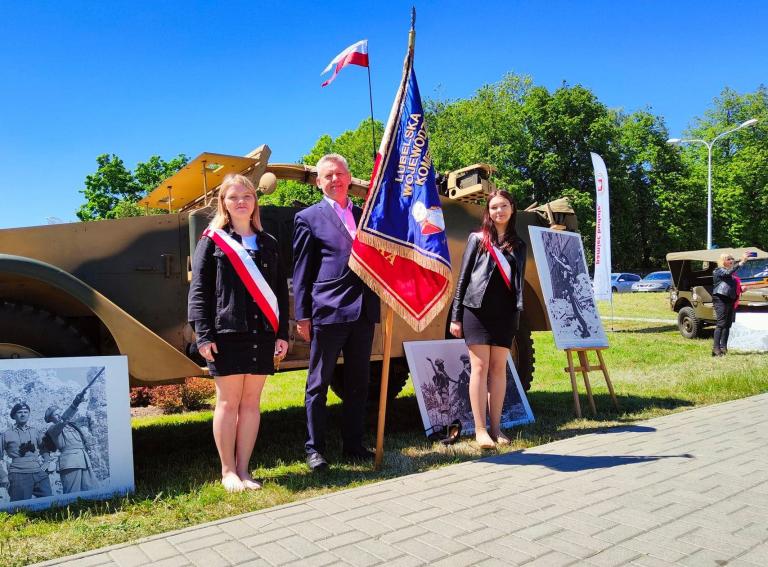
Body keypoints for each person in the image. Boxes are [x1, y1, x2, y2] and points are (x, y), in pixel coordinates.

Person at [188, 173, 289, 492]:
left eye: (247, 195)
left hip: (262, 334)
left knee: (250, 403)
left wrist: (281, 333)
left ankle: (245, 470)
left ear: (255, 201)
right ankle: (227, 471)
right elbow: (199, 290)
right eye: (234, 197)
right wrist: (203, 335)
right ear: (224, 203)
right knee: (228, 404)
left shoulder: (269, 243)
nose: (241, 201)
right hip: (226, 333)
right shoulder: (212, 240)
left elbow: (279, 293)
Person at [292, 154, 380, 471]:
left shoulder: (366, 215)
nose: (335, 179)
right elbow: (302, 271)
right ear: (319, 181)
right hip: (327, 311)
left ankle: (354, 445)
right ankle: (315, 450)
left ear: (349, 177)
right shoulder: (308, 218)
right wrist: (303, 316)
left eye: (340, 174)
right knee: (318, 384)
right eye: (328, 175)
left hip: (363, 311)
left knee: (358, 383)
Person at [450, 190, 526, 449]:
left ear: (512, 209)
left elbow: (518, 286)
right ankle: (480, 431)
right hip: (476, 311)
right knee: (479, 368)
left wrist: (516, 315)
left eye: (503, 206)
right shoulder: (477, 239)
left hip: (504, 314)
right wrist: (456, 316)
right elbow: (463, 279)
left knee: (498, 370)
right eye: (493, 207)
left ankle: (497, 428)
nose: (498, 211)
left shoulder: (519, 245)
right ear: (488, 212)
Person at [44, 392, 95, 494]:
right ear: (50, 419)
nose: (59, 415)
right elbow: (63, 419)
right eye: (55, 414)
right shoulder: (53, 429)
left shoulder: (71, 425)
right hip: (70, 463)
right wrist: (75, 403)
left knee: (91, 489)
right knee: (72, 493)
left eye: (59, 412)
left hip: (83, 459)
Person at [0, 402, 53, 501]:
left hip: (39, 472)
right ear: (14, 415)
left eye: (26, 412)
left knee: (50, 502)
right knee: (20, 508)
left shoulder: (35, 431)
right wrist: (3, 476)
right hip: (19, 474)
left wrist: (47, 461)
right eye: (20, 412)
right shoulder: (6, 434)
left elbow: (44, 448)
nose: (23, 414)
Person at [712, 251, 752, 356]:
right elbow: (727, 273)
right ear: (722, 261)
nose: (731, 260)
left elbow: (730, 286)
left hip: (730, 299)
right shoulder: (718, 270)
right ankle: (716, 349)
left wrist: (741, 289)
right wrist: (741, 262)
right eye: (728, 259)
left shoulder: (732, 274)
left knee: (727, 325)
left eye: (732, 259)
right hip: (720, 299)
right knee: (721, 324)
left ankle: (723, 347)